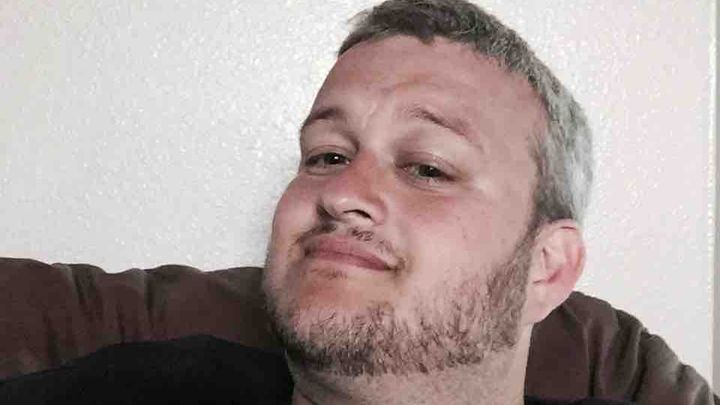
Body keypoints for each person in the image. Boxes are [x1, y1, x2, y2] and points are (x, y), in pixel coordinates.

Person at [0, 1, 637, 404]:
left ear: (547, 268)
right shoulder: (136, 388)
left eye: (427, 167)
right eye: (327, 156)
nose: (341, 192)